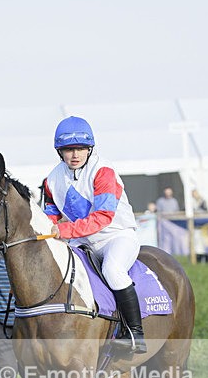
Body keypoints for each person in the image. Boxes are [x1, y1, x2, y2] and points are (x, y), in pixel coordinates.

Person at [43, 116, 147, 353]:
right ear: (60, 152)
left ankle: (135, 334)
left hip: (116, 236)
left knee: (113, 270)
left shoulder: (103, 172)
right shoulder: (51, 180)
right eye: (68, 150)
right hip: (81, 241)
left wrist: (64, 230)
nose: (75, 155)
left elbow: (103, 216)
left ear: (90, 148)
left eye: (80, 148)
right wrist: (49, 229)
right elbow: (50, 214)